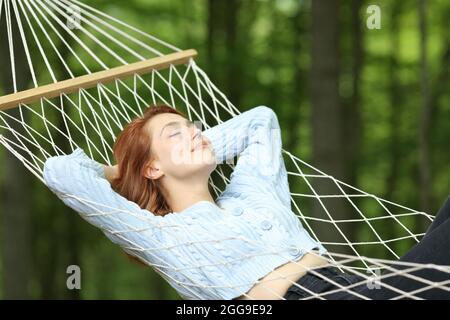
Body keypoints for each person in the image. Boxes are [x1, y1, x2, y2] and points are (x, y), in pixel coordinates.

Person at [43, 104, 449, 300]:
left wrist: (192, 145)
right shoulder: (163, 237)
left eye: (193, 125)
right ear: (152, 169)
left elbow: (261, 121)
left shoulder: (252, 193)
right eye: (174, 132)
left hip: (355, 286)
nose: (195, 130)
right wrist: (120, 171)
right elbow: (59, 172)